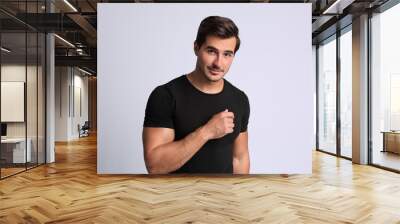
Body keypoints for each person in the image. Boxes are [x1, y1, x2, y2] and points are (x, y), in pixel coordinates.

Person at [142, 16, 250, 174]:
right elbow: (155, 165)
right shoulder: (165, 96)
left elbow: (239, 158)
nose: (218, 63)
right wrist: (206, 132)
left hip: (224, 196)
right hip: (177, 197)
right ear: (196, 48)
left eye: (227, 54)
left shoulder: (239, 99)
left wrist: (240, 195)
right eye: (211, 51)